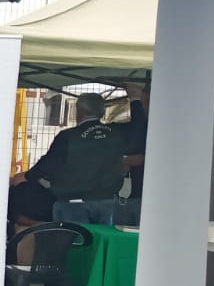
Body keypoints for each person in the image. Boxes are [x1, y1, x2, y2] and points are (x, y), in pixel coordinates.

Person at [10, 91, 130, 226]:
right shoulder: (116, 134)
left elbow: (49, 164)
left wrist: (27, 175)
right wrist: (136, 98)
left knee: (74, 243)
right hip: (107, 200)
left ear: (79, 110)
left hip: (74, 202)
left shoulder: (68, 136)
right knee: (100, 242)